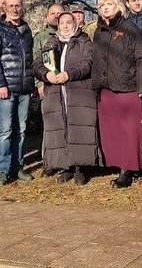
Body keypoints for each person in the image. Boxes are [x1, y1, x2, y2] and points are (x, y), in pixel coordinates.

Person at [33, 11, 97, 185]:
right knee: (60, 128)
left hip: (78, 92)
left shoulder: (84, 41)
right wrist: (46, 75)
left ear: (75, 24)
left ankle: (80, 168)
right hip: (56, 93)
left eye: (69, 22)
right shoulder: (51, 42)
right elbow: (37, 63)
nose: (65, 26)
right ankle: (65, 166)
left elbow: (89, 62)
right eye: (62, 23)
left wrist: (70, 74)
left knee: (79, 129)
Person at [93, 0, 142, 188]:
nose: (105, 8)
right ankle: (118, 165)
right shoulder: (98, 31)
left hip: (128, 87)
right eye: (101, 5)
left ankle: (128, 169)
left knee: (129, 132)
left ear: (118, 5)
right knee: (113, 131)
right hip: (106, 88)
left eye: (108, 4)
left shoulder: (130, 28)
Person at [0, 0, 35, 185]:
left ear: (22, 6)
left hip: (24, 88)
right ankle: (3, 169)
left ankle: (18, 165)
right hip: (6, 87)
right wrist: (0, 84)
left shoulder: (26, 29)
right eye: (11, 6)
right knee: (5, 130)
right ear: (4, 7)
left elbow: (29, 58)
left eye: (18, 5)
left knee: (21, 130)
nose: (15, 9)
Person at [33, 3, 64, 98]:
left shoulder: (73, 35)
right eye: (53, 13)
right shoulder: (41, 37)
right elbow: (35, 60)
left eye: (59, 13)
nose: (56, 15)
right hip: (48, 83)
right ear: (47, 17)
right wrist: (39, 84)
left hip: (69, 82)